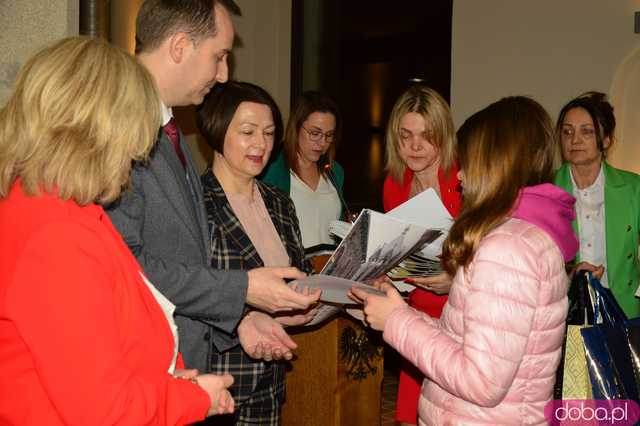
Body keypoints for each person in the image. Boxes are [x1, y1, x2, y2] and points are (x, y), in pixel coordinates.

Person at [0, 36, 235, 425]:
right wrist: (192, 398)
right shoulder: (58, 236)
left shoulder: (53, 207)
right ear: (101, 132)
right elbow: (105, 412)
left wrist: (169, 385)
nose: (137, 153)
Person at [106, 0, 319, 377]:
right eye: (218, 56)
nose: (223, 75)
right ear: (179, 47)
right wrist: (242, 290)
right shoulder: (117, 129)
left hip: (180, 368)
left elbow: (179, 258)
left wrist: (239, 320)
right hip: (140, 369)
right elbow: (122, 267)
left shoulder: (168, 132)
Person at [352, 96, 579, 425]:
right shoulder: (522, 234)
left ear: (495, 164)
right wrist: (396, 311)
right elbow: (468, 340)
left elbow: (482, 382)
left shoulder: (506, 249)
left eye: (468, 161)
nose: (459, 175)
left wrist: (397, 321)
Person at [198, 80, 317, 425]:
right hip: (217, 382)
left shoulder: (280, 203)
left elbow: (300, 272)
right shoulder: (197, 204)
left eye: (268, 133)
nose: (261, 144)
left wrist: (300, 305)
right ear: (217, 131)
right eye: (248, 131)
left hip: (271, 382)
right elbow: (187, 289)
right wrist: (242, 319)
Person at [381, 84, 461, 425]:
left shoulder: (462, 178)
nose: (415, 146)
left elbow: (490, 251)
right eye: (405, 135)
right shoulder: (393, 185)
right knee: (412, 415)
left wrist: (456, 278)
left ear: (443, 136)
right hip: (417, 313)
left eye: (426, 136)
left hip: (462, 314)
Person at [554, 91, 640, 318]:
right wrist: (570, 277)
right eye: (567, 131)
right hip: (566, 314)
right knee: (572, 355)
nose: (574, 140)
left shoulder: (633, 188)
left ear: (606, 139)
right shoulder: (547, 191)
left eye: (587, 131)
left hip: (625, 315)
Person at [261, 91, 344, 248]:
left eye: (329, 135)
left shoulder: (335, 172)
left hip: (326, 268)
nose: (322, 143)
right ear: (297, 127)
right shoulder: (271, 169)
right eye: (315, 133)